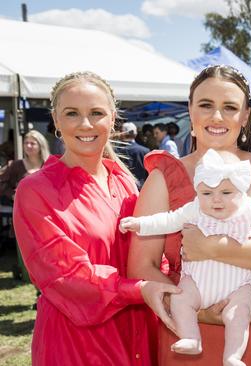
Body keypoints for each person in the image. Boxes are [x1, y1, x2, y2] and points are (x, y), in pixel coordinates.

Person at [127, 65, 251, 365]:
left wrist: (210, 246)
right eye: (206, 105)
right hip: (191, 331)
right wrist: (195, 309)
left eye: (229, 107)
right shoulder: (164, 176)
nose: (217, 117)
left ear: (245, 115)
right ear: (190, 109)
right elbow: (140, 265)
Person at [12, 71, 180, 365]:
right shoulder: (36, 190)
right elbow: (65, 276)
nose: (85, 124)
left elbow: (149, 252)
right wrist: (140, 289)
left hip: (139, 331)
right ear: (56, 119)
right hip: (77, 342)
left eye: (96, 113)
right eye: (72, 113)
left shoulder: (124, 181)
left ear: (112, 119)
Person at [120, 149, 251, 363]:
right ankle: (191, 338)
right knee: (180, 299)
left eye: (226, 193)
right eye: (207, 193)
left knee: (239, 314)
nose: (216, 200)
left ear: (240, 192)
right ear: (198, 193)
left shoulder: (248, 209)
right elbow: (166, 221)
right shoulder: (194, 209)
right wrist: (139, 224)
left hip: (239, 284)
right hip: (197, 282)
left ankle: (232, 356)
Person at [0, 130, 50, 206]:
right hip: (22, 208)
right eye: (26, 143)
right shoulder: (16, 165)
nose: (28, 146)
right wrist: (13, 195)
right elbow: (3, 184)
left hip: (45, 208)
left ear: (41, 146)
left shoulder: (50, 166)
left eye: (32, 143)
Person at [117, 122, 150, 188]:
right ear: (135, 134)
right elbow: (149, 173)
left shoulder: (115, 151)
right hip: (141, 188)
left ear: (122, 134)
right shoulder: (145, 151)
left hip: (122, 188)